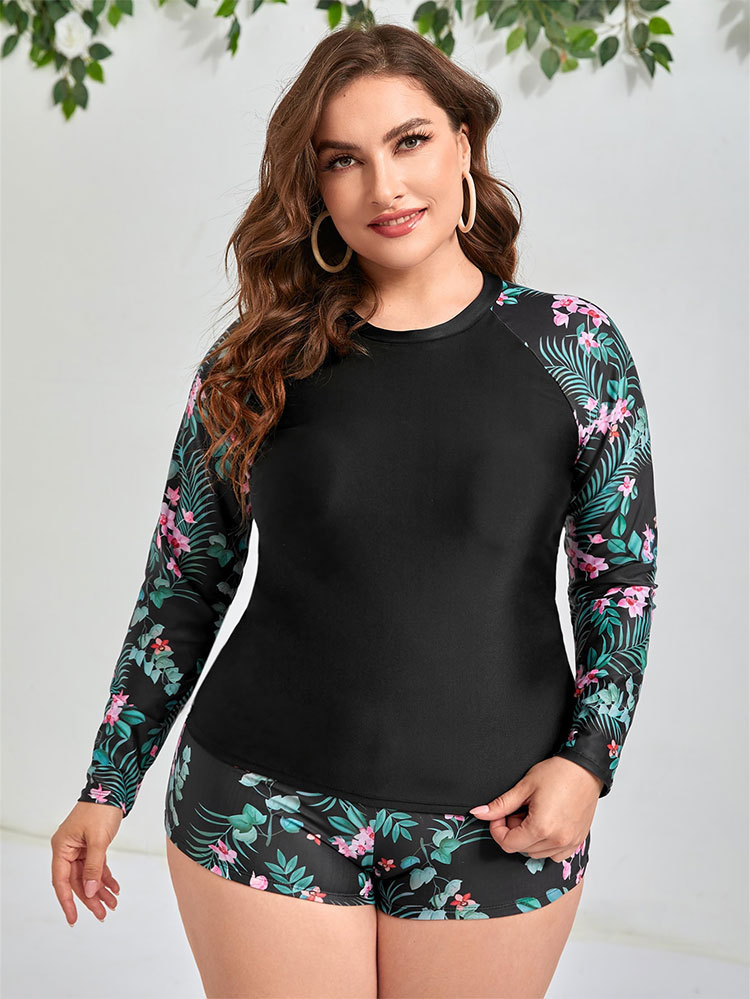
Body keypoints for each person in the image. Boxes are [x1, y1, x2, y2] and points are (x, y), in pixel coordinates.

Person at [50, 22, 659, 999]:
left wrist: (590, 763)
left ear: (464, 142)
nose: (385, 186)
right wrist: (105, 785)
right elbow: (185, 581)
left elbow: (617, 580)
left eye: (409, 141)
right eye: (344, 159)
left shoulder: (573, 348)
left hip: (497, 819)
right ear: (317, 187)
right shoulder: (254, 364)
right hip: (260, 805)